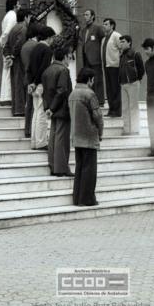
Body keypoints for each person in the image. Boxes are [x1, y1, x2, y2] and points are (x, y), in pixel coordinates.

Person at [69, 68, 103, 206]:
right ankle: (87, 199)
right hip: (89, 136)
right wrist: (100, 132)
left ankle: (77, 198)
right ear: (89, 79)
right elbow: (98, 117)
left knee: (80, 168)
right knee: (90, 170)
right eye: (93, 80)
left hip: (77, 136)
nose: (93, 82)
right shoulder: (90, 94)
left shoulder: (72, 94)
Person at [42, 46, 74, 177]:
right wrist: (53, 107)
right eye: (70, 56)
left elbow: (45, 93)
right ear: (65, 56)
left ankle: (53, 165)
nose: (70, 59)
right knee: (62, 138)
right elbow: (62, 91)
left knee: (54, 137)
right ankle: (61, 168)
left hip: (52, 108)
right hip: (61, 108)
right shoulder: (63, 70)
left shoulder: (47, 70)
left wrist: (48, 108)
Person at [27, 25, 56, 150]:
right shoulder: (47, 50)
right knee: (42, 113)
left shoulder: (35, 48)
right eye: (53, 37)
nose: (53, 40)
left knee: (36, 112)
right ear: (49, 37)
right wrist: (37, 82)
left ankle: (34, 141)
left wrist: (31, 83)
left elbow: (29, 68)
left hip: (34, 84)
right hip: (41, 84)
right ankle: (41, 142)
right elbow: (44, 69)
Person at [3, 8, 31, 116]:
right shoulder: (23, 28)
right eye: (29, 17)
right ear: (25, 17)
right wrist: (13, 55)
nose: (29, 20)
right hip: (20, 59)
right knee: (20, 83)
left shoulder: (13, 28)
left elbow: (6, 46)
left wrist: (8, 56)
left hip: (14, 60)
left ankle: (16, 109)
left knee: (15, 83)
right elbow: (20, 44)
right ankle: (20, 110)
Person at [118, 35, 145, 135]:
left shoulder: (135, 54)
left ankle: (134, 130)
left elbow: (141, 69)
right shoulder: (121, 55)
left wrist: (137, 80)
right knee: (125, 108)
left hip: (133, 84)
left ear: (129, 43)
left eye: (123, 42)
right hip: (123, 84)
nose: (121, 44)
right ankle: (126, 129)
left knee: (133, 107)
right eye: (120, 42)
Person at [0, 0, 20, 106]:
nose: (19, 6)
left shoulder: (7, 16)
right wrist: (2, 41)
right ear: (14, 5)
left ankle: (5, 97)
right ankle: (7, 98)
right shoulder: (12, 15)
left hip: (6, 45)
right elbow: (8, 32)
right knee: (8, 71)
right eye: (18, 4)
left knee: (6, 70)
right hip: (9, 46)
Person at [80, 9, 105, 106]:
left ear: (92, 16)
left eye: (87, 14)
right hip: (86, 59)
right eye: (84, 14)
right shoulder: (83, 30)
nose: (85, 16)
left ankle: (100, 101)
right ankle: (90, 100)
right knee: (88, 80)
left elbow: (103, 42)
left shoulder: (98, 28)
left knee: (98, 79)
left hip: (96, 59)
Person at [20, 22, 41, 137]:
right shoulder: (35, 46)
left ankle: (27, 129)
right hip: (33, 79)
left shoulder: (24, 46)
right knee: (34, 106)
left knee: (29, 106)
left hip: (26, 77)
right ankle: (31, 130)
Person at [101, 18, 122, 117]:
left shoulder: (116, 36)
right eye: (103, 24)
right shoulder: (104, 38)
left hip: (115, 66)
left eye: (106, 24)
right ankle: (111, 109)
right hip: (107, 66)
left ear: (112, 25)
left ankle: (117, 111)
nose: (104, 26)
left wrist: (118, 61)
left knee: (115, 88)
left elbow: (122, 48)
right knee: (109, 89)